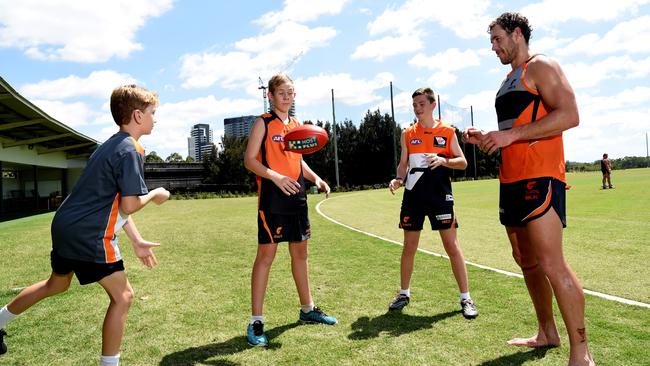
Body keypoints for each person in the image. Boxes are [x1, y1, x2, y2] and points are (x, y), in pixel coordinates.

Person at [0, 85, 170, 366]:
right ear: (138, 116)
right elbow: (128, 205)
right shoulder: (131, 150)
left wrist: (137, 240)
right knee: (124, 296)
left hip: (65, 226)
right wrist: (155, 194)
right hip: (88, 234)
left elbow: (110, 202)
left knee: (57, 283)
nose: (156, 118)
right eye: (153, 113)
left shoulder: (109, 146)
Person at [462, 12, 595, 366]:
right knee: (526, 261)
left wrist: (511, 135)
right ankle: (546, 332)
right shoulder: (509, 80)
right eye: (491, 41)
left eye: (497, 39)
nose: (493, 47)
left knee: (553, 264)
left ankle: (581, 352)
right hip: (511, 179)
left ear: (517, 34)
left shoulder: (542, 66)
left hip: (540, 177)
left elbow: (569, 115)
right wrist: (488, 138)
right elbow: (516, 128)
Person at [243, 73, 336, 347]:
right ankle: (256, 321)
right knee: (266, 256)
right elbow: (249, 161)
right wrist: (275, 177)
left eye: (291, 92)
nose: (287, 97)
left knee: (301, 253)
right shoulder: (263, 123)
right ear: (270, 95)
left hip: (298, 196)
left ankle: (307, 309)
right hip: (273, 197)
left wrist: (316, 178)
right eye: (282, 92)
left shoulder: (296, 126)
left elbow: (299, 163)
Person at [387, 87, 478, 319]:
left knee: (452, 246)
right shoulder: (407, 133)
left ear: (432, 104)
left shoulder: (447, 132)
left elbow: (463, 162)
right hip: (413, 195)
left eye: (421, 104)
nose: (417, 109)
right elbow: (403, 164)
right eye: (415, 105)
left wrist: (443, 160)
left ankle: (466, 298)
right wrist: (398, 179)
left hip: (440, 195)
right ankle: (404, 293)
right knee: (409, 247)